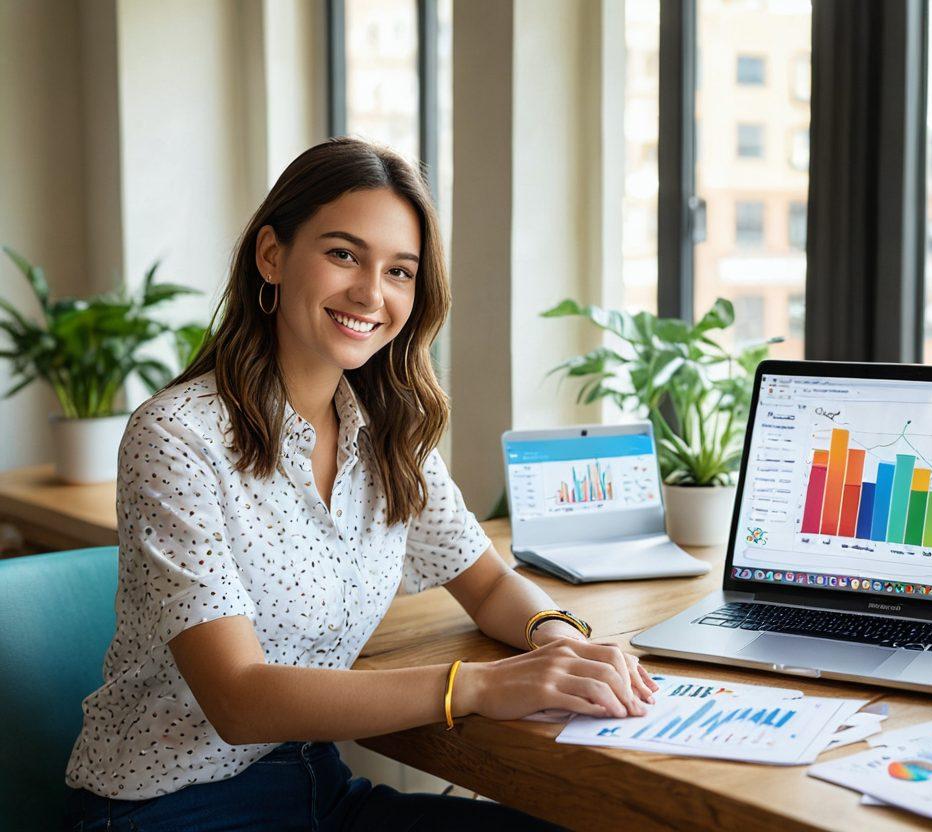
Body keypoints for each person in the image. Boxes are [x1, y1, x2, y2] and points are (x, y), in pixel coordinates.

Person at [63, 137, 658, 832]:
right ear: (272, 255)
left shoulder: (384, 430)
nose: (371, 293)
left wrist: (560, 639)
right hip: (166, 809)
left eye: (400, 271)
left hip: (317, 786)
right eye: (344, 254)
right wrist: (482, 687)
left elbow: (490, 584)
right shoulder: (175, 437)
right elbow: (239, 699)